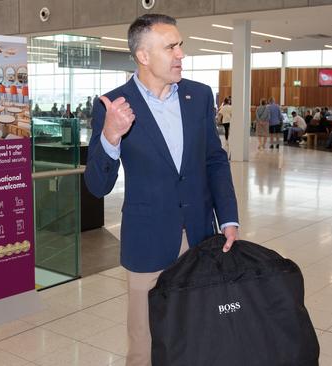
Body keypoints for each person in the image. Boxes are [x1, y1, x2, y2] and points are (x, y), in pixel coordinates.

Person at [84, 14, 239, 366]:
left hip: (199, 234)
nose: (181, 53)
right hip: (148, 238)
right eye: (171, 47)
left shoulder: (198, 96)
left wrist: (228, 215)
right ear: (143, 56)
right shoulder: (113, 105)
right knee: (144, 341)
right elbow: (97, 185)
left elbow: (214, 160)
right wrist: (111, 137)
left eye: (181, 45)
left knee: (199, 328)